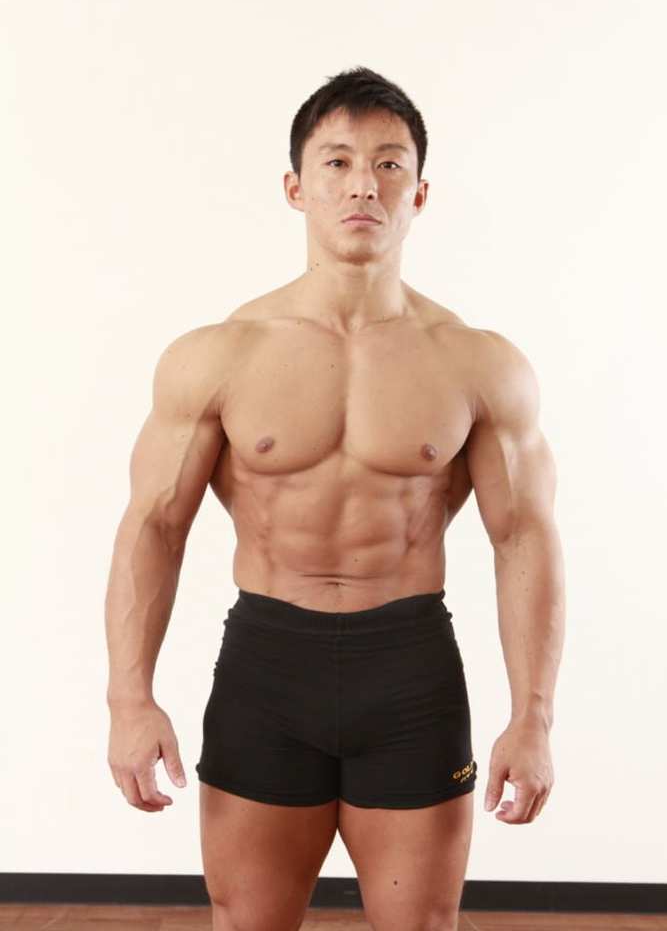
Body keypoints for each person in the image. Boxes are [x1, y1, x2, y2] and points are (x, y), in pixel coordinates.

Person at [105, 66, 565, 931]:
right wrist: (129, 699)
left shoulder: (477, 362)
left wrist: (531, 719)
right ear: (295, 187)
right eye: (338, 161)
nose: (363, 184)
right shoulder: (218, 354)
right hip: (267, 668)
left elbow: (523, 538)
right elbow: (155, 525)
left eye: (389, 164)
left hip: (411, 671)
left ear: (418, 193)